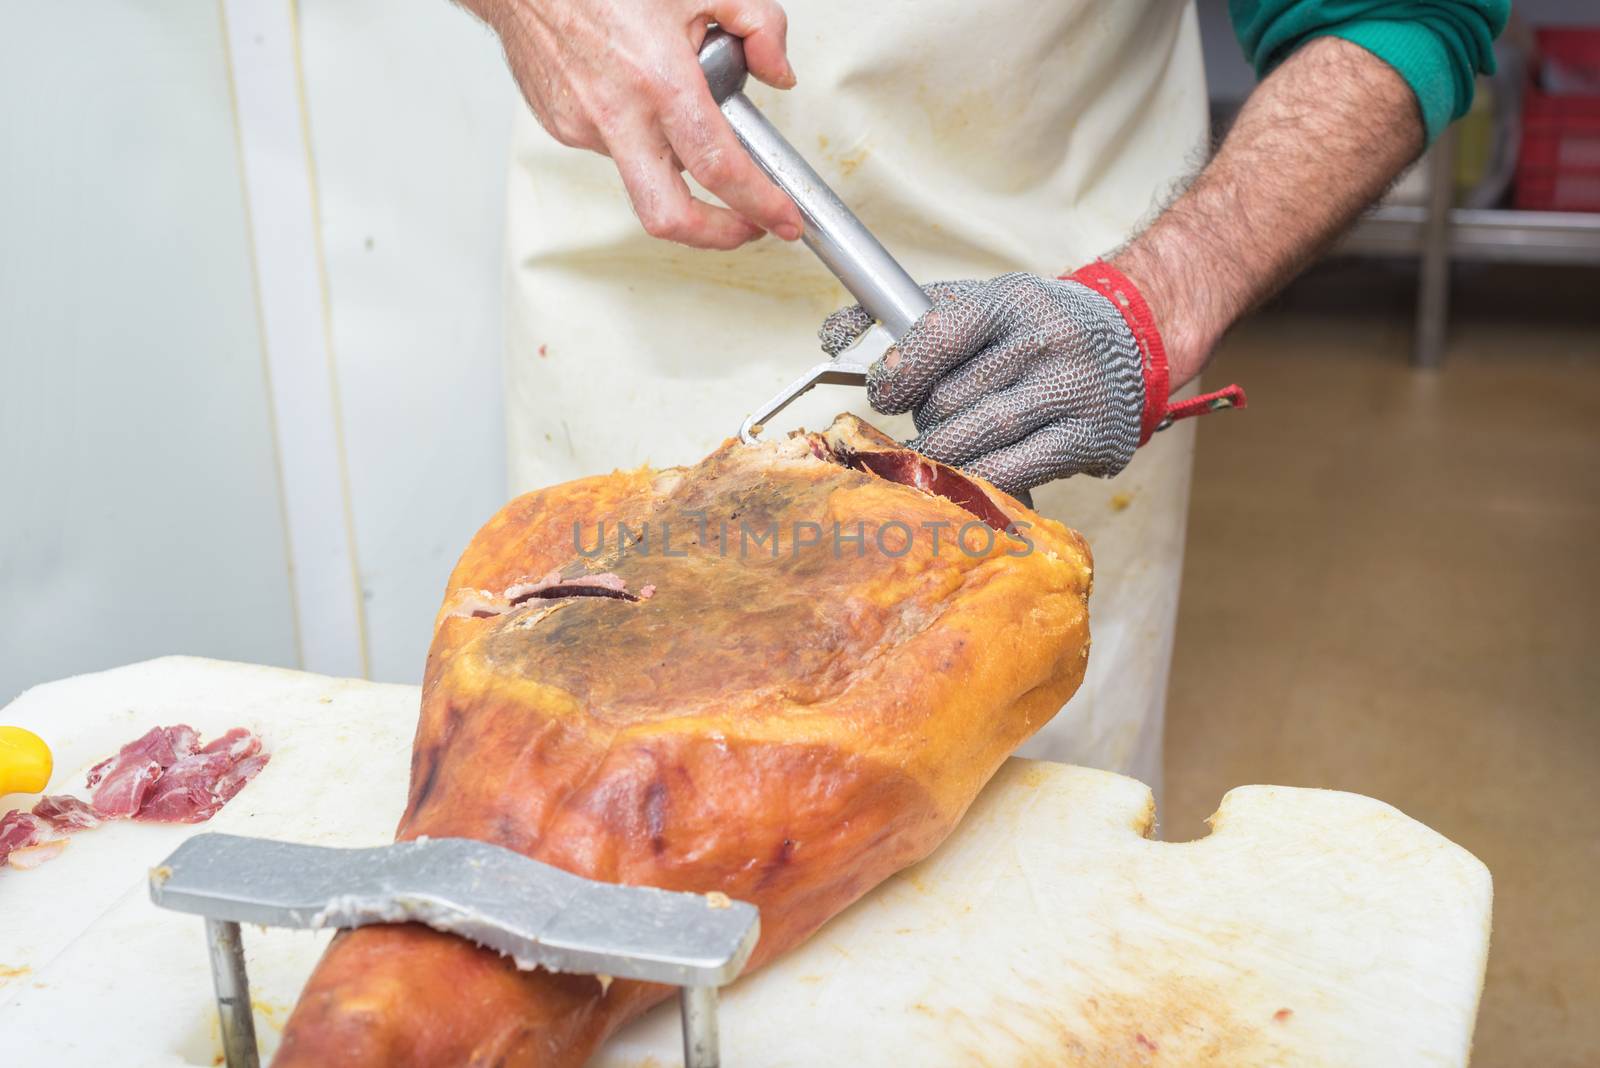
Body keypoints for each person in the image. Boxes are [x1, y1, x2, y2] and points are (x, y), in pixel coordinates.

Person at [457, 0, 1506, 790]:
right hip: (634, 300)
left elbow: (1403, 16)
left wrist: (1159, 296)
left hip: (1029, 362)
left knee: (982, 903)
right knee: (608, 822)